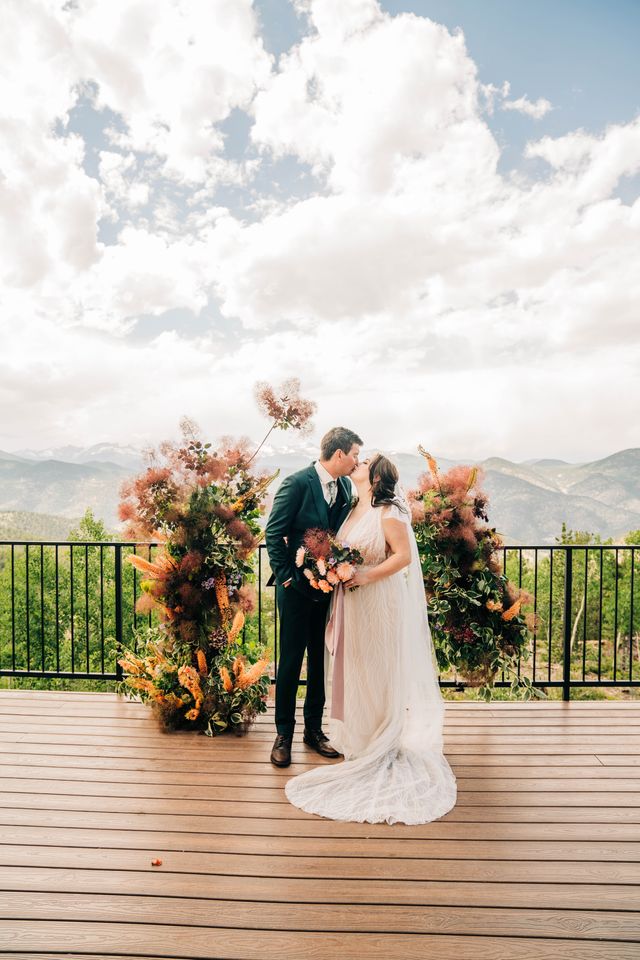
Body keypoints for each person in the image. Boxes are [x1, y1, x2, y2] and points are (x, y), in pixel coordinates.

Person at [283, 453, 458, 824]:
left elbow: (403, 556)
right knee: (356, 667)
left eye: (364, 463)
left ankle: (380, 738)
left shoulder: (389, 512)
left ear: (375, 477)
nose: (357, 464)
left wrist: (365, 576)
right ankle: (358, 736)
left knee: (376, 669)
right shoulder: (353, 506)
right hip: (352, 603)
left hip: (377, 601)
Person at [265, 426, 363, 768]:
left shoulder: (346, 487)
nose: (357, 461)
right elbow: (273, 533)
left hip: (328, 590)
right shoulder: (296, 483)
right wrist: (287, 579)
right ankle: (283, 735)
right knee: (291, 661)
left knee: (320, 661)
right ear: (339, 454)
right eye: (355, 455)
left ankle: (314, 731)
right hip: (294, 591)